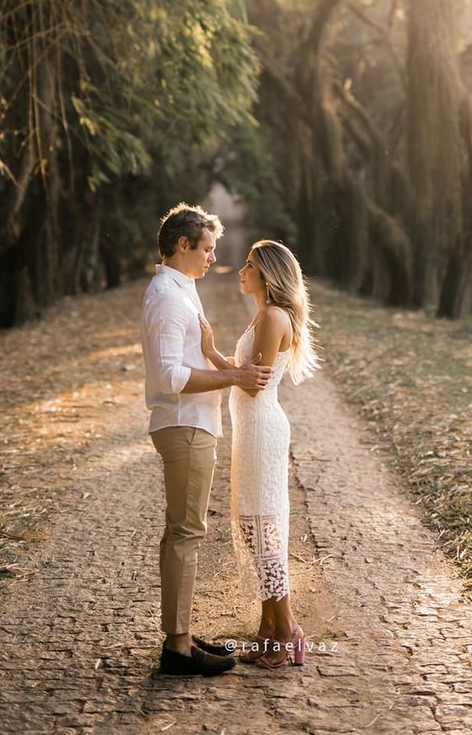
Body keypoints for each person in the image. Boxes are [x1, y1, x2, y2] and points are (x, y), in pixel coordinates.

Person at [140, 203, 273, 676]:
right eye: (208, 249)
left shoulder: (182, 291)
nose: (213, 258)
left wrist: (219, 359)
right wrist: (234, 375)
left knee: (186, 530)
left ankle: (181, 633)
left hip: (195, 424)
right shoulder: (168, 297)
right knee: (185, 533)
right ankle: (177, 647)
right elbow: (169, 375)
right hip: (184, 425)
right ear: (183, 245)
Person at [198, 239, 320, 668]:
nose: (240, 270)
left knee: (263, 529)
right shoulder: (264, 314)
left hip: (263, 431)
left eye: (249, 265)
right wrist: (216, 353)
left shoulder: (272, 316)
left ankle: (287, 632)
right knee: (254, 527)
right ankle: (269, 630)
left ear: (268, 274)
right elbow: (245, 375)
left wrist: (214, 355)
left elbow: (253, 382)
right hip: (251, 431)